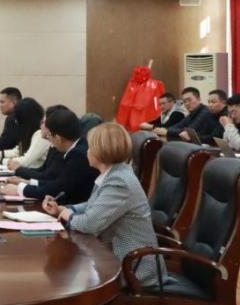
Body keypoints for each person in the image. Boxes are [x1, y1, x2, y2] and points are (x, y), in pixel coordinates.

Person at [43, 122, 162, 287]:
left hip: (133, 268)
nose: (87, 151)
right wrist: (65, 209)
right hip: (113, 256)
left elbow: (90, 224)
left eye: (90, 147)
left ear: (100, 152)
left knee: (69, 279)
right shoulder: (114, 173)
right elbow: (94, 204)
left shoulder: (119, 181)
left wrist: (68, 216)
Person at [2, 106, 97, 204]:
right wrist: (27, 183)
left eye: (49, 136)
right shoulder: (78, 146)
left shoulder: (78, 155)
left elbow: (56, 189)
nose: (49, 140)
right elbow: (57, 183)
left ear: (58, 138)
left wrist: (20, 189)